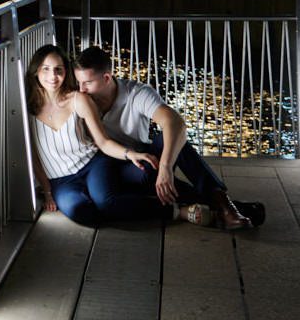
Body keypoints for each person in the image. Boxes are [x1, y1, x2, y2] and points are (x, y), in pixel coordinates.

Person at [74, 46, 264, 229]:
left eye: (87, 83)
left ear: (107, 78)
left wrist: (166, 167)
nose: (81, 89)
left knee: (170, 141)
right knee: (150, 176)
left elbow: (176, 123)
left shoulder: (136, 93)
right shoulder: (79, 99)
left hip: (139, 161)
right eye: (78, 82)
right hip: (102, 166)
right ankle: (227, 206)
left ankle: (222, 204)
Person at [26, 44, 211, 226]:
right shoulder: (29, 109)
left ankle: (206, 201)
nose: (53, 76)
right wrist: (48, 190)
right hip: (66, 177)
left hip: (98, 163)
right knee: (82, 212)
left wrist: (157, 163)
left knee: (125, 188)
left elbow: (104, 142)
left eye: (58, 69)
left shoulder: (87, 98)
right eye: (46, 69)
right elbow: (32, 155)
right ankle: (199, 200)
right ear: (36, 71)